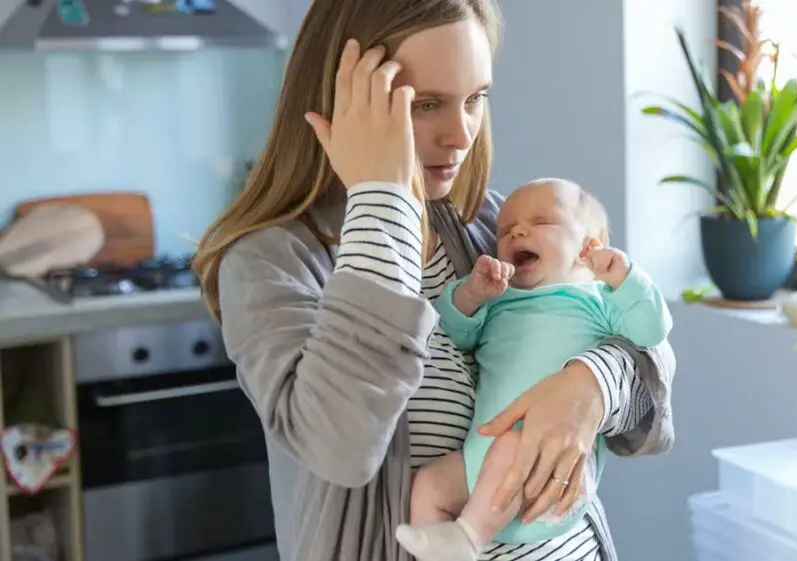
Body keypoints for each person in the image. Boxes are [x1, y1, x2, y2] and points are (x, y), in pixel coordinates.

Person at [191, 1, 677, 559]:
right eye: (426, 105)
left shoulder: (493, 227)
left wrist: (589, 387)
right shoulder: (270, 262)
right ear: (339, 105)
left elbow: (651, 365)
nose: (461, 135)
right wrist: (382, 201)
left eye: (476, 100)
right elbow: (340, 446)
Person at [395, 179, 673, 561]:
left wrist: (626, 280)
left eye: (541, 222)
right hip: (478, 466)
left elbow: (651, 334)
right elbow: (451, 334)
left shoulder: (598, 299)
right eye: (506, 230)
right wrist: (471, 295)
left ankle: (467, 537)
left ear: (588, 248)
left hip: (549, 474)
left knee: (513, 441)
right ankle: (444, 550)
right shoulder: (500, 300)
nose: (517, 231)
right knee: (427, 486)